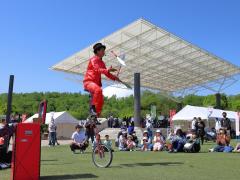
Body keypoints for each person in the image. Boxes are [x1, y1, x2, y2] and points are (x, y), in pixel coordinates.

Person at [83, 43, 122, 117]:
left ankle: (97, 114)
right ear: (97, 51)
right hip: (89, 82)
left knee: (101, 100)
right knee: (98, 90)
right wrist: (107, 70)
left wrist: (115, 78)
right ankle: (92, 110)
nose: (104, 52)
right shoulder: (93, 59)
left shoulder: (102, 62)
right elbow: (97, 69)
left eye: (104, 51)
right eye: (102, 50)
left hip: (95, 84)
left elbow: (107, 73)